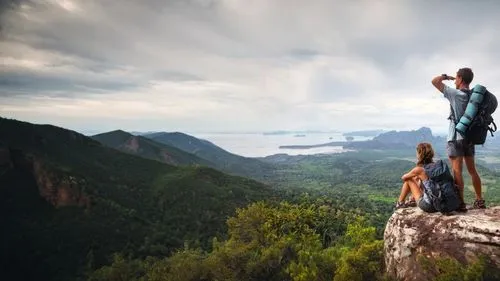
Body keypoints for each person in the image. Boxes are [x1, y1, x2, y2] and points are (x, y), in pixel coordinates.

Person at [431, 68, 485, 210]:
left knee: (457, 171)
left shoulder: (455, 94)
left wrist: (446, 77)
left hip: (455, 137)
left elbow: (434, 81)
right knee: (472, 170)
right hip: (469, 137)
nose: (454, 80)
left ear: (460, 79)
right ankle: (479, 200)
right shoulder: (473, 97)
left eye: (456, 78)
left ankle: (460, 203)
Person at [395, 143, 460, 213]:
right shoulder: (439, 166)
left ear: (419, 154)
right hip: (447, 204)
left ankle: (400, 203)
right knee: (422, 180)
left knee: (409, 180)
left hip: (430, 206)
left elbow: (404, 178)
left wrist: (415, 175)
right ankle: (412, 199)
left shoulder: (419, 170)